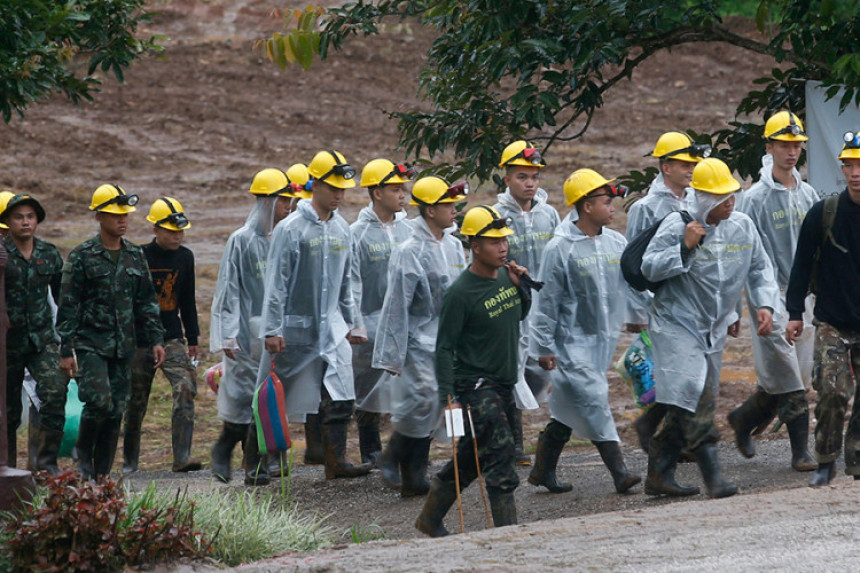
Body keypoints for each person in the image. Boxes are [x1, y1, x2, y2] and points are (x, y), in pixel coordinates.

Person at [642, 158, 778, 499]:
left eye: (732, 196)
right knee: (695, 392)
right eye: (721, 198)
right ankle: (713, 477)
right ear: (702, 198)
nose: (729, 203)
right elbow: (648, 267)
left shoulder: (742, 227)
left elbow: (760, 269)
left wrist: (763, 304)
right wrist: (684, 247)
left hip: (713, 327)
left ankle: (658, 464)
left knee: (692, 398)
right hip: (676, 322)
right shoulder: (678, 225)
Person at [415, 206, 530, 537]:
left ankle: (429, 518)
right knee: (501, 455)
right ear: (474, 246)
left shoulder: (506, 278)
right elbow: (444, 348)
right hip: (477, 387)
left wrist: (521, 286)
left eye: (504, 241)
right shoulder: (461, 292)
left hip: (504, 383)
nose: (502, 247)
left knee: (471, 456)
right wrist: (448, 397)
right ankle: (507, 534)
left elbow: (518, 315)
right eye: (493, 242)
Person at [528, 169, 644, 495]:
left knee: (570, 403)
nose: (612, 208)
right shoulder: (559, 249)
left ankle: (542, 469)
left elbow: (629, 285)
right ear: (586, 205)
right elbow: (546, 301)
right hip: (570, 342)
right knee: (594, 397)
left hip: (602, 340)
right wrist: (543, 347)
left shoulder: (615, 241)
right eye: (606, 202)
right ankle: (620, 472)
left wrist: (637, 316)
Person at [261, 149, 372, 480]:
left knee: (341, 391)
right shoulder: (292, 229)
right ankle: (259, 462)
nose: (339, 195)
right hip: (295, 328)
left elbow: (349, 281)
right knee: (275, 393)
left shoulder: (342, 230)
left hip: (332, 326)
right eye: (333, 187)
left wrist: (353, 322)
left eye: (343, 189)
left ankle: (335, 461)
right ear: (315, 185)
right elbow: (276, 283)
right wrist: (272, 328)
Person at [57, 184, 166, 480]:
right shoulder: (82, 256)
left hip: (124, 346)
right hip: (91, 344)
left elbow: (146, 300)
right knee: (98, 401)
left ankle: (101, 476)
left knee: (116, 409)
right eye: (115, 215)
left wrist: (156, 338)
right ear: (98, 217)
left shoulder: (134, 255)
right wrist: (66, 349)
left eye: (126, 215)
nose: (123, 220)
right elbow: (68, 304)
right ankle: (83, 459)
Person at [729, 111, 818, 472]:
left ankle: (742, 418)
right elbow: (746, 255)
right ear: (769, 147)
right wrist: (746, 304)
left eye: (796, 145)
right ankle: (801, 452)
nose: (792, 152)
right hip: (770, 295)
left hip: (805, 298)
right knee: (789, 376)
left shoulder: (808, 193)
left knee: (796, 373)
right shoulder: (755, 198)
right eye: (784, 144)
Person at [372, 175, 467, 496]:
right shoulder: (409, 251)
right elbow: (396, 305)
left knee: (436, 403)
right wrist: (392, 353)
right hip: (416, 341)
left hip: (445, 341)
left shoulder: (454, 245)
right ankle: (392, 456)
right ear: (428, 211)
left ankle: (413, 477)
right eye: (446, 205)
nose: (454, 210)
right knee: (421, 400)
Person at [209, 168, 295, 485]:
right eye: (283, 200)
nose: (289, 206)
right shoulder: (241, 241)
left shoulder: (288, 238)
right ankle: (233, 455)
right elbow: (228, 289)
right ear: (266, 201)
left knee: (268, 399)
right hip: (246, 334)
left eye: (290, 200)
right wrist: (228, 335)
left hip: (276, 335)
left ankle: (264, 461)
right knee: (246, 399)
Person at [785, 131, 860, 487]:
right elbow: (800, 266)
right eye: (850, 165)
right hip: (832, 319)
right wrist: (794, 312)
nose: (856, 172)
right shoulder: (824, 213)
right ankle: (826, 459)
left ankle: (856, 458)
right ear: (842, 168)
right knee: (832, 391)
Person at [626, 132, 707, 454]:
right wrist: (637, 312)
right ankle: (675, 441)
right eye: (682, 163)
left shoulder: (694, 201)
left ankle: (657, 427)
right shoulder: (646, 208)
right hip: (658, 303)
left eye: (692, 163)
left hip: (690, 301)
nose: (690, 169)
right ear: (664, 166)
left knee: (683, 372)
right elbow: (632, 264)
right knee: (677, 373)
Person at [493, 140, 561, 466]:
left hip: (544, 305)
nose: (530, 183)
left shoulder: (549, 215)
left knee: (541, 370)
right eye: (522, 176)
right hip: (510, 306)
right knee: (510, 371)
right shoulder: (496, 216)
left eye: (534, 176)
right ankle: (513, 444)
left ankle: (547, 443)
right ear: (506, 179)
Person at [123, 197, 201, 474]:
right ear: (155, 229)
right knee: (135, 402)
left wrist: (193, 339)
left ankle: (182, 457)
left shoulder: (185, 257)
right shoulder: (137, 255)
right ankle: (130, 463)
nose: (177, 236)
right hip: (140, 341)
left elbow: (188, 300)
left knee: (185, 389)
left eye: (180, 231)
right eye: (170, 231)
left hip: (172, 338)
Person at [349, 159, 413, 467]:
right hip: (371, 324)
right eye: (395, 189)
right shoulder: (357, 235)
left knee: (410, 388)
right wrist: (356, 322)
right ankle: (370, 452)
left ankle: (405, 452)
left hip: (408, 324)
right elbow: (351, 282)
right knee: (368, 390)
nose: (402, 195)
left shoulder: (410, 230)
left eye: (403, 189)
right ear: (376, 193)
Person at [1, 194, 66, 473]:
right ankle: (7, 469)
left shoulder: (49, 253)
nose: (25, 222)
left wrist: (68, 341)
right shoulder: (2, 253)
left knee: (55, 391)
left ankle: (45, 465)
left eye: (30, 216)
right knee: (8, 412)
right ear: (7, 221)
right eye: (18, 217)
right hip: (7, 343)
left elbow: (63, 298)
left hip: (42, 339)